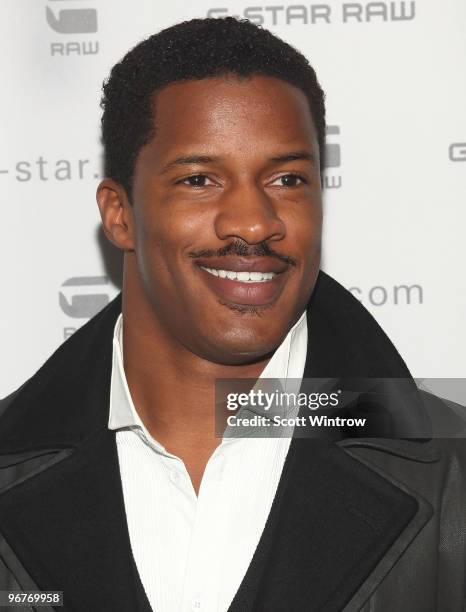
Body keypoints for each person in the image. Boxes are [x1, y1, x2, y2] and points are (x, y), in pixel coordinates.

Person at [0, 17, 465, 612]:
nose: (253, 221)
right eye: (200, 179)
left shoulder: (452, 470)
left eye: (287, 179)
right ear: (120, 214)